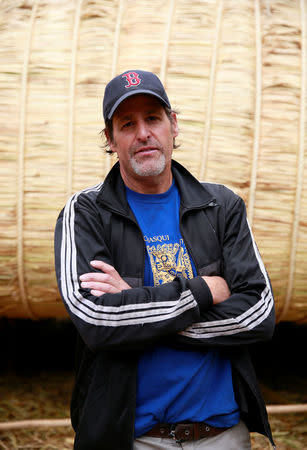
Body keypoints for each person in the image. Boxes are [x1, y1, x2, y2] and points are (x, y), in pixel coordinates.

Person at [54, 70, 276, 450]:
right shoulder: (86, 213)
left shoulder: (220, 206)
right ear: (110, 139)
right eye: (127, 124)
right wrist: (205, 290)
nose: (143, 133)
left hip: (221, 436)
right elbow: (97, 321)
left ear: (173, 125)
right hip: (133, 439)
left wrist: (139, 308)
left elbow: (257, 314)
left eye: (153, 118)